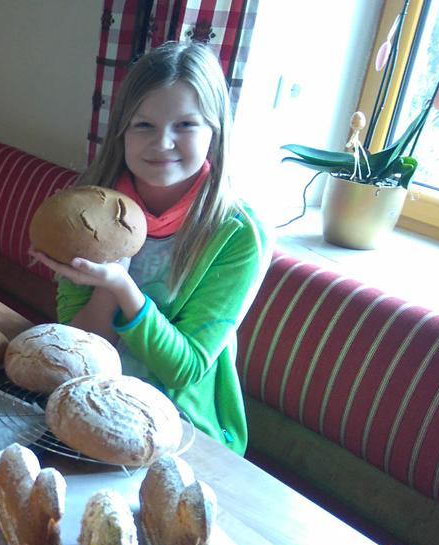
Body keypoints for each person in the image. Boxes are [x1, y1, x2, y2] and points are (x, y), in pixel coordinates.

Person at [30, 41, 272, 455]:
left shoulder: (238, 234)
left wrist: (123, 287)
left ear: (215, 132)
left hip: (182, 429)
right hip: (91, 402)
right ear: (121, 130)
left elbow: (186, 368)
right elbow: (80, 348)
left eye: (186, 125)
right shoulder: (87, 212)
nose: (162, 143)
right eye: (143, 125)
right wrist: (107, 284)